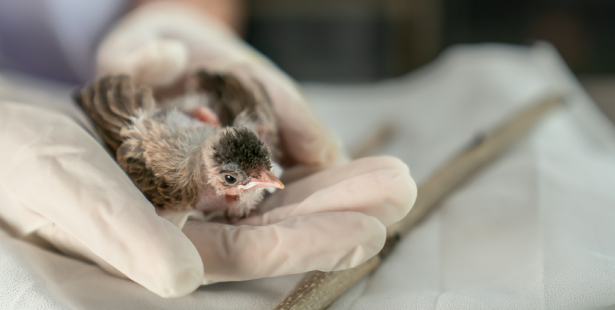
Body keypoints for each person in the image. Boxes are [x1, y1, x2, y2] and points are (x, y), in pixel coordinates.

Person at [0, 0, 416, 297]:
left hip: (138, 68)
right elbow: (129, 127)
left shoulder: (223, 142)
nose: (266, 182)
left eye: (260, 170)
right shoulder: (179, 183)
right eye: (237, 178)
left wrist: (179, 15)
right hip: (83, 111)